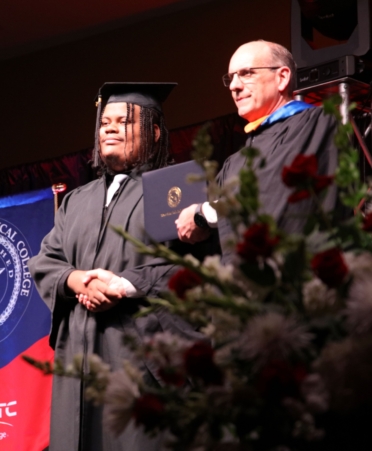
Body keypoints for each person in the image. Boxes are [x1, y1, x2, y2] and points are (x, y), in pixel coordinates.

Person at [28, 82, 198, 451]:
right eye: (105, 121)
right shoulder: (77, 200)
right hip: (78, 361)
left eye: (124, 121)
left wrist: (122, 285)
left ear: (153, 131)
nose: (109, 128)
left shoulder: (177, 189)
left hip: (139, 357)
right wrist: (76, 280)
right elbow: (45, 260)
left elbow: (192, 269)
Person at [176, 40, 339, 263]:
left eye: (246, 73)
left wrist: (204, 213)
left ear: (282, 77)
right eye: (231, 77)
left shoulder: (316, 123)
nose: (234, 85)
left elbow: (275, 196)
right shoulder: (235, 161)